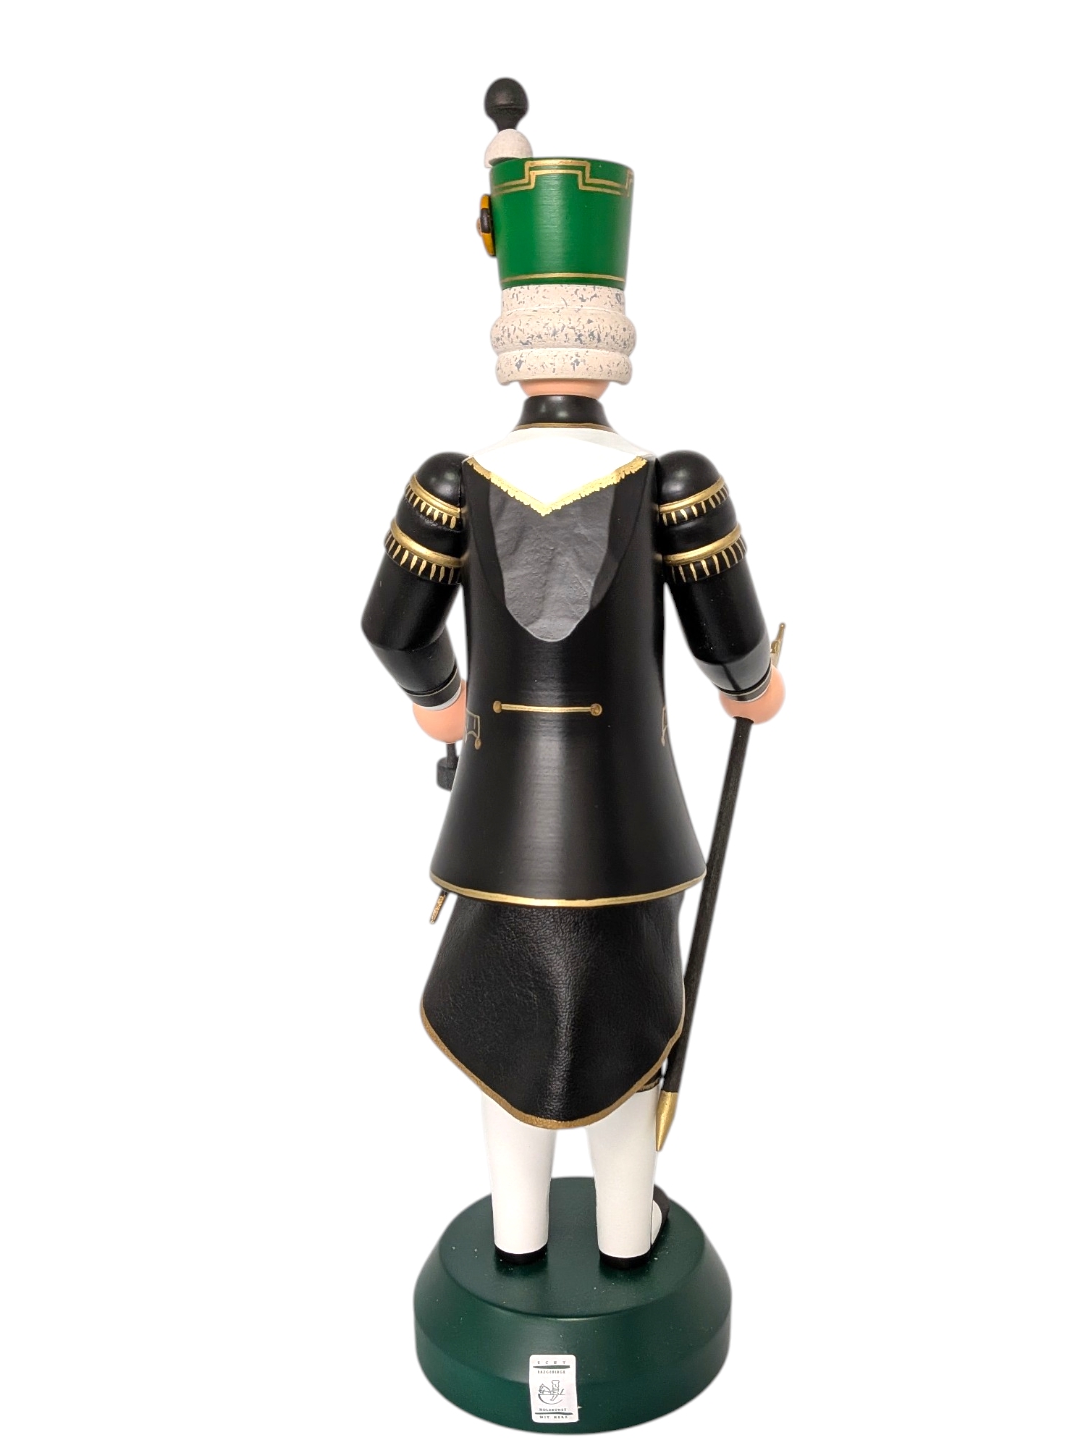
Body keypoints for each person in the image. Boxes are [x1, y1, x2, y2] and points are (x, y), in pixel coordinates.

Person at [361, 81, 783, 1267]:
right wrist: (753, 691)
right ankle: (632, 1236)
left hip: (495, 836)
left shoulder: (450, 483)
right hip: (631, 835)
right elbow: (731, 647)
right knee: (629, 1040)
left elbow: (393, 627)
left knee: (505, 1040)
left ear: (514, 338)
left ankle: (516, 1236)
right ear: (613, 332)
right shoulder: (676, 482)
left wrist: (441, 702)